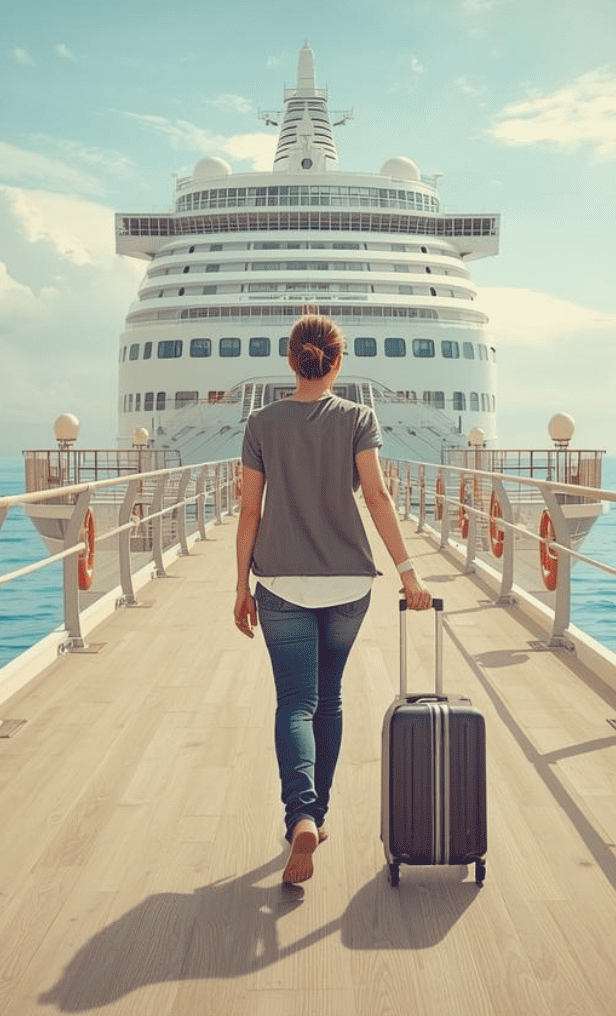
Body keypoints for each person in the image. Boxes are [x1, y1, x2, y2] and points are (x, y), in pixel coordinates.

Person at [234, 313, 434, 886]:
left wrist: (239, 586)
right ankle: (317, 815)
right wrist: (408, 574)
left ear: (290, 359)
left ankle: (299, 812)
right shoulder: (358, 418)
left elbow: (249, 510)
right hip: (349, 583)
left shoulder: (262, 423)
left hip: (280, 584)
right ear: (337, 360)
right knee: (331, 698)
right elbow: (376, 495)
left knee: (295, 701)